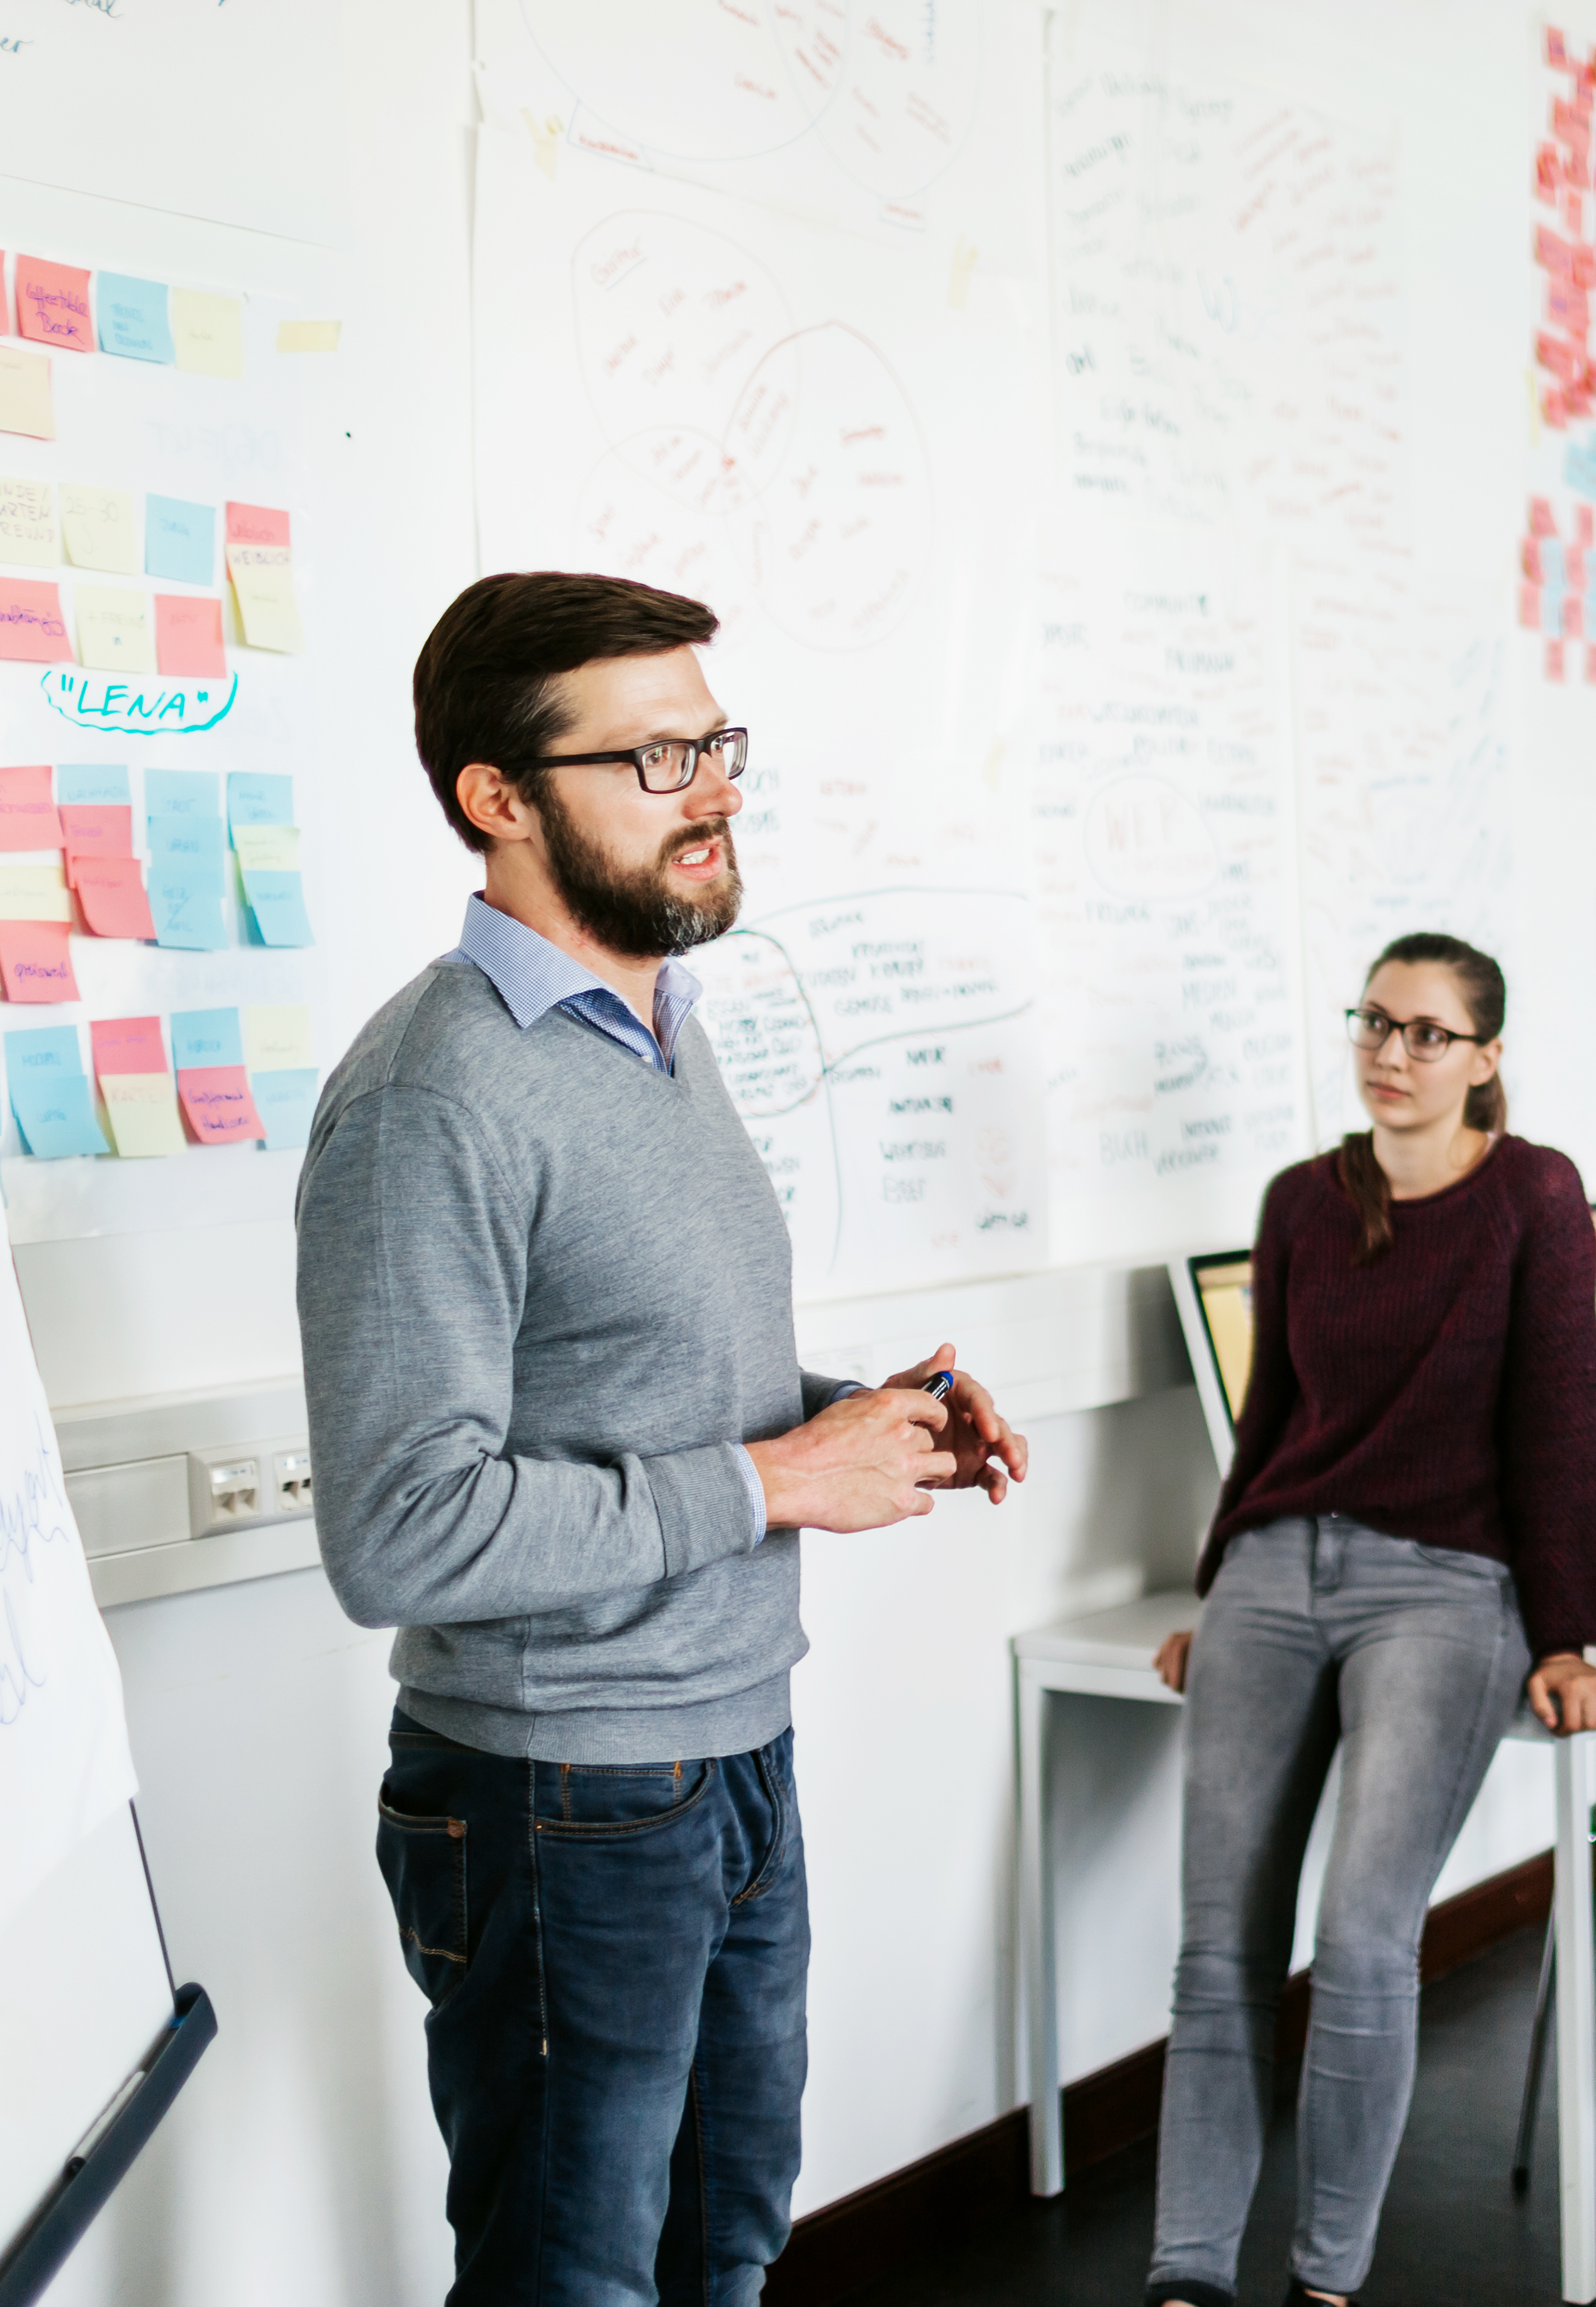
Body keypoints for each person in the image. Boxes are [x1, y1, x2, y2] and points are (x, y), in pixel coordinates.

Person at [300, 572, 1028, 2303]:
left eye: (716, 742)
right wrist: (781, 1478)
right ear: (499, 795)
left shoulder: (655, 1032)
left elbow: (634, 1388)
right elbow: (400, 1530)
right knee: (578, 2279)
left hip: (728, 1752)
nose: (713, 786)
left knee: (725, 2248)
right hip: (560, 1798)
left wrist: (862, 1414)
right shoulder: (432, 1095)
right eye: (655, 756)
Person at [1142, 932, 1596, 2307]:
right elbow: (1271, 1423)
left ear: (1485, 1059)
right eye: (1373, 1023)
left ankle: (1325, 2277)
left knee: (1358, 1935)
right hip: (1276, 1575)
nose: (1389, 1053)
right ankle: (1187, 2273)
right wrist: (1214, 1586)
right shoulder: (1301, 1201)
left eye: (1423, 1033)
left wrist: (1564, 1632)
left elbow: (1554, 1423)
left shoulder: (1533, 1195)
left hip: (1443, 1584)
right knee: (1218, 1943)